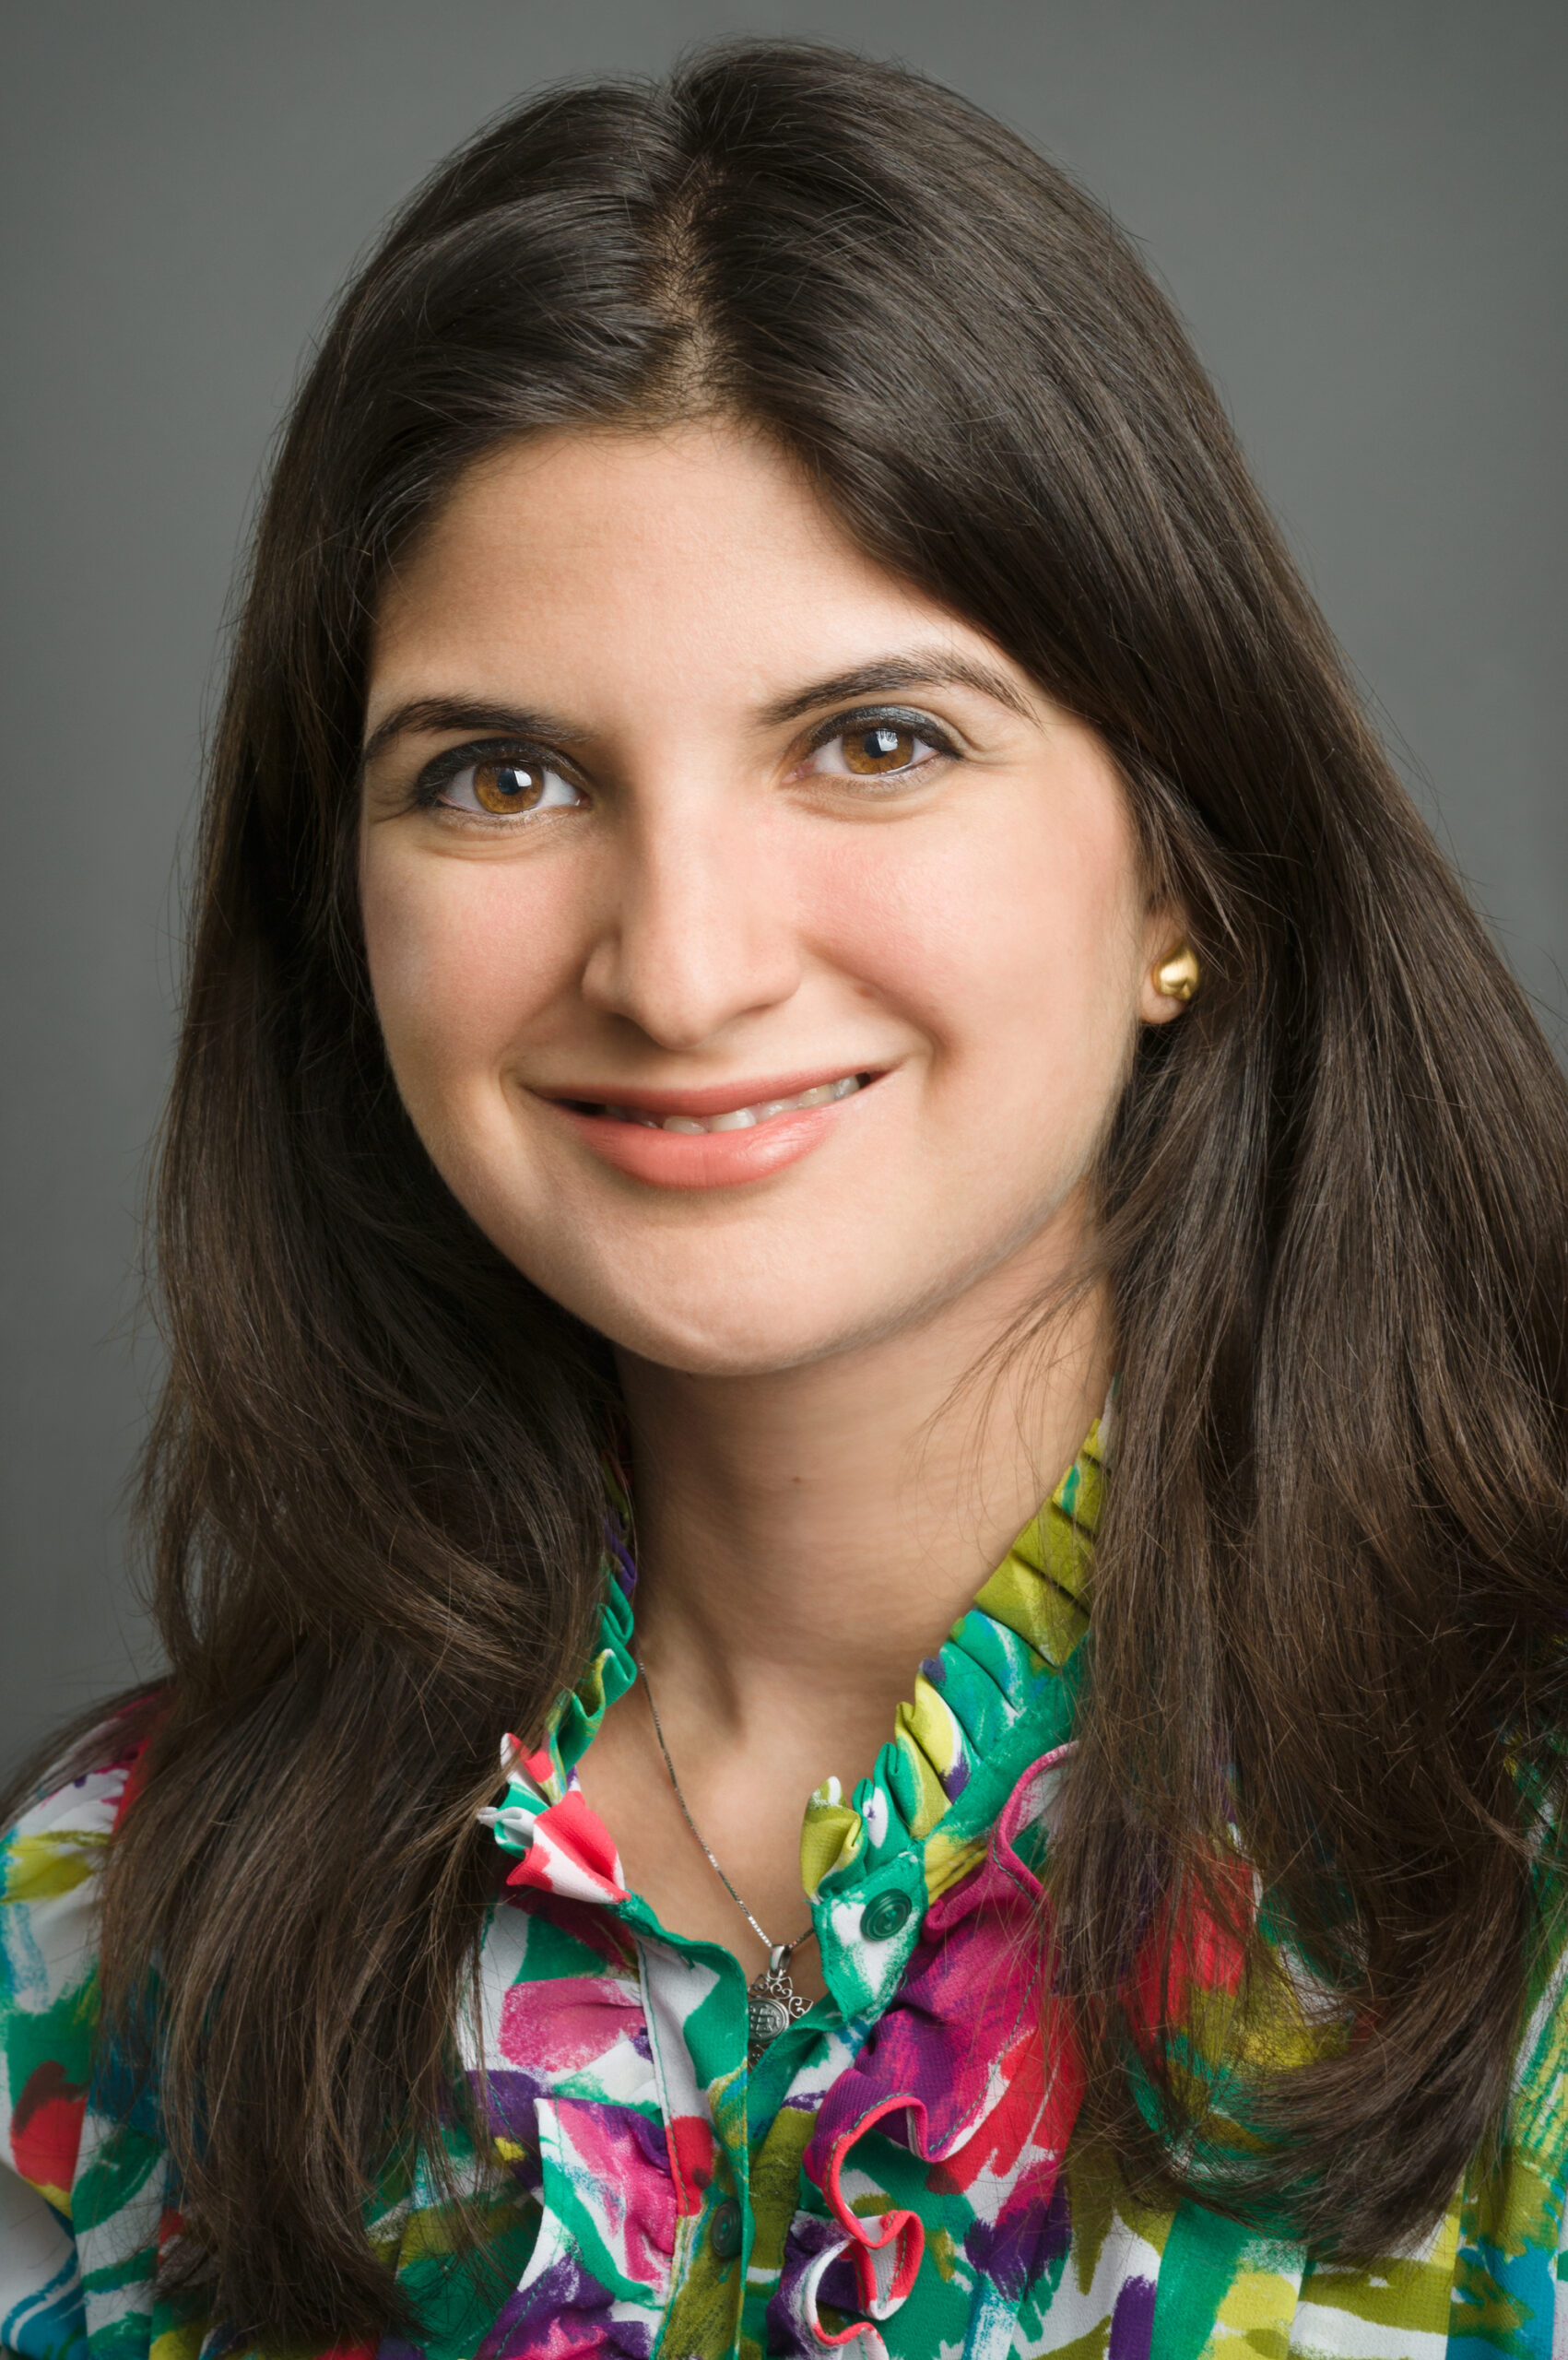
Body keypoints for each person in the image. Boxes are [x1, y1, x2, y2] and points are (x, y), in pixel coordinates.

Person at [3, 38, 1566, 2360]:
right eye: (503, 772)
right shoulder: (107, 1928)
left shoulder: (1521, 1878)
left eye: (875, 741)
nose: (685, 961)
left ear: (1180, 870)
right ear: (341, 909)